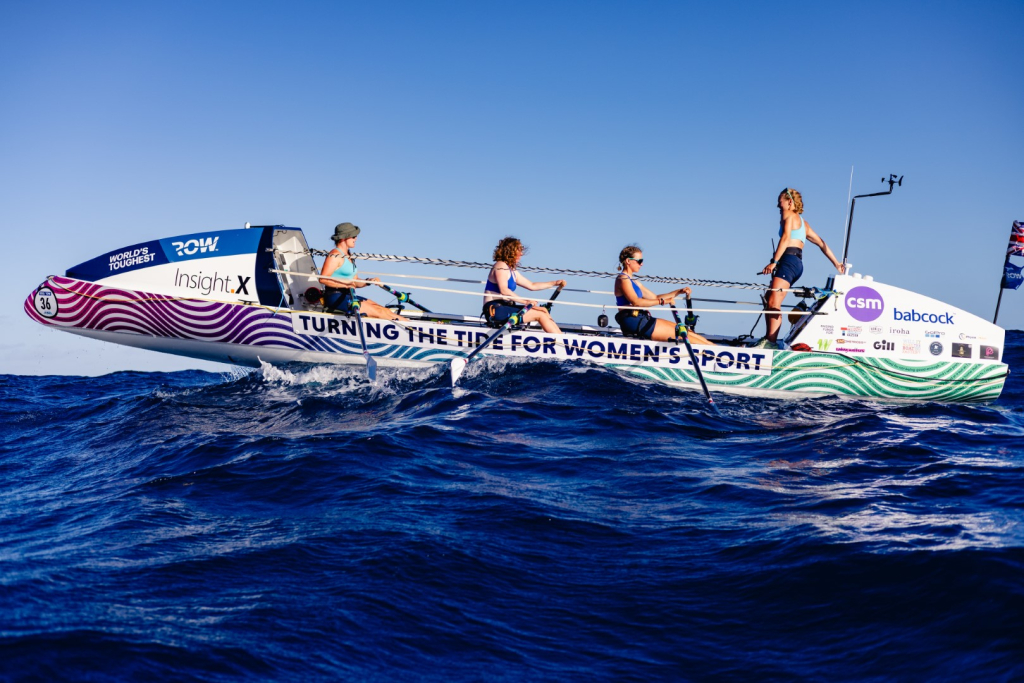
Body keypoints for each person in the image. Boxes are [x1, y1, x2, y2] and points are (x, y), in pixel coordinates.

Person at [755, 188, 845, 348]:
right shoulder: (804, 224)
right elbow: (821, 243)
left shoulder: (788, 215)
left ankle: (771, 342)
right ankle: (768, 339)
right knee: (770, 298)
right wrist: (836, 263)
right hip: (797, 264)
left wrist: (774, 262)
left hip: (788, 261)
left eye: (780, 201)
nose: (777, 205)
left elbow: (785, 238)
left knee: (774, 302)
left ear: (789, 202)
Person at [614, 245, 711, 344]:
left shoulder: (634, 281)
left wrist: (678, 292)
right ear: (628, 261)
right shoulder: (623, 279)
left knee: (689, 332)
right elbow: (636, 302)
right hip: (633, 321)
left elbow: (655, 297)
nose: (642, 264)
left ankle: (714, 350)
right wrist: (662, 302)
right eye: (639, 261)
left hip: (641, 319)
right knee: (688, 337)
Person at [318, 222, 408, 321]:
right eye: (353, 236)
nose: (356, 239)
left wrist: (368, 281)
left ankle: (409, 324)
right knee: (380, 313)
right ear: (344, 238)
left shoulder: (349, 255)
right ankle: (409, 329)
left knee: (384, 310)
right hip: (335, 296)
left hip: (349, 294)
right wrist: (346, 285)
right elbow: (323, 279)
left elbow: (355, 281)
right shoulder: (334, 255)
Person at [482, 237, 565, 334]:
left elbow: (532, 285)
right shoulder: (500, 266)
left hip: (505, 307)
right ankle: (561, 342)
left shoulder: (511, 270)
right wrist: (525, 301)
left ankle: (561, 337)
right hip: (495, 310)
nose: (521, 254)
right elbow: (504, 290)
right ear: (510, 251)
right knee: (540, 315)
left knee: (543, 310)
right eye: (519, 250)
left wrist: (554, 283)